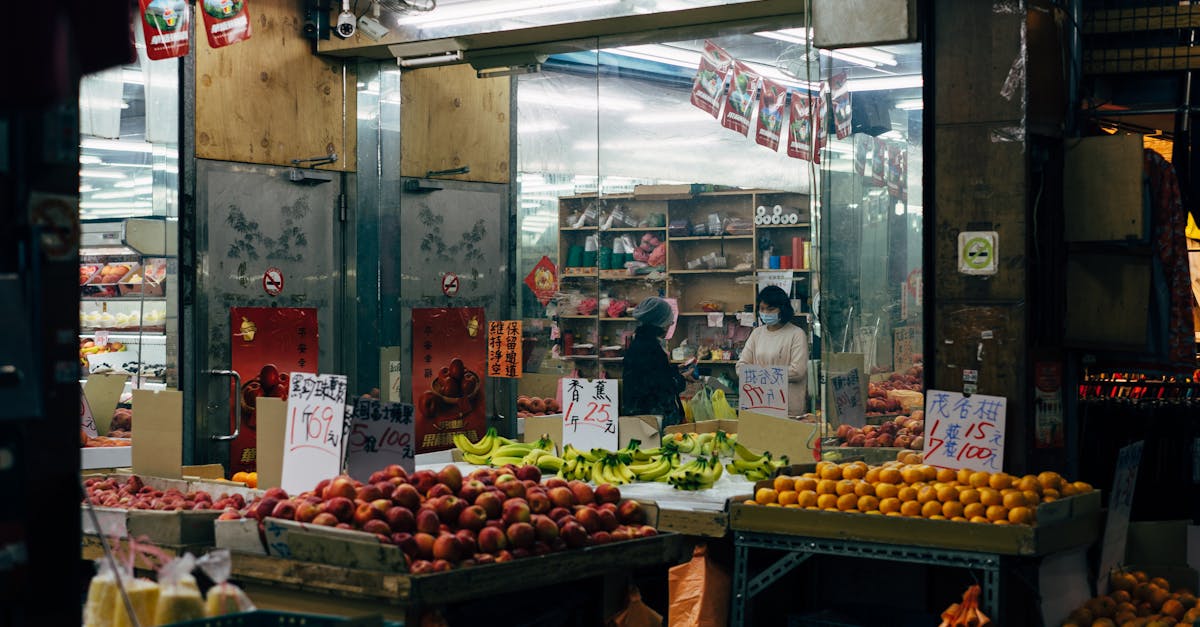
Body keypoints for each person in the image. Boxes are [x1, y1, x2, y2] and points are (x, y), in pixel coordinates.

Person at [736, 285, 809, 415]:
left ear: (783, 309)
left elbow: (798, 371)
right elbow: (740, 367)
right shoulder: (757, 333)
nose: (765, 313)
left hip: (789, 407)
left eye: (770, 309)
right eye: (762, 309)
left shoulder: (797, 334)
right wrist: (771, 374)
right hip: (759, 404)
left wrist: (756, 373)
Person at [621, 296, 687, 428]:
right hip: (651, 423)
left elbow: (653, 375)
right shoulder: (650, 349)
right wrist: (681, 378)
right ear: (660, 323)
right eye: (669, 322)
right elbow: (662, 388)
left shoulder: (640, 344)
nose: (669, 326)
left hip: (642, 418)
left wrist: (675, 371)